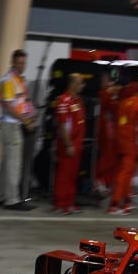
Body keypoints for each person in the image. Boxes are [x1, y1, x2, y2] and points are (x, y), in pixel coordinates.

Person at [0, 49, 36, 211]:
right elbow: (9, 106)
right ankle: (12, 199)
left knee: (6, 163)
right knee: (14, 164)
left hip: (14, 124)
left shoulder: (18, 80)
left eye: (24, 63)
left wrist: (31, 115)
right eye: (20, 63)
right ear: (13, 62)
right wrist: (26, 120)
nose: (22, 66)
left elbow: (23, 101)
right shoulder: (8, 81)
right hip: (11, 125)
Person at [110, 80, 138, 215]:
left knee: (125, 173)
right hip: (131, 145)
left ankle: (125, 202)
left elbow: (120, 123)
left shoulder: (124, 102)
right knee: (125, 174)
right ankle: (115, 204)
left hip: (121, 143)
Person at [52, 72, 86, 215]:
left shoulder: (77, 101)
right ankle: (60, 204)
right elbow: (63, 125)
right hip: (68, 145)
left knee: (72, 175)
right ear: (72, 84)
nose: (82, 86)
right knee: (64, 175)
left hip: (77, 144)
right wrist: (68, 144)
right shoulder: (64, 101)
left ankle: (69, 202)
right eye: (79, 83)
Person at [95, 73, 119, 193]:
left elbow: (115, 108)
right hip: (103, 130)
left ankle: (108, 181)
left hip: (109, 128)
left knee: (111, 157)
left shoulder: (109, 94)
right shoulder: (102, 94)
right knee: (105, 157)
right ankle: (99, 180)